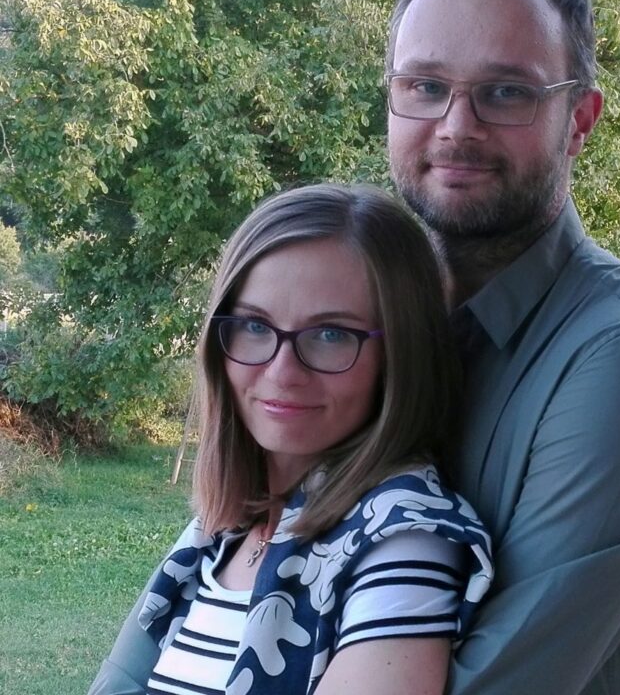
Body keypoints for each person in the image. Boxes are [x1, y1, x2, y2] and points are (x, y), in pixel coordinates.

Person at [385, 0, 620, 695]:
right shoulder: (357, 324)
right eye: (425, 85)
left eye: (507, 92)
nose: (456, 125)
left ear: (580, 120)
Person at [88, 183, 493, 695]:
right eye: (255, 326)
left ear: (400, 355)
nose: (282, 372)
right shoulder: (220, 532)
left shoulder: (403, 542)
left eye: (331, 334)